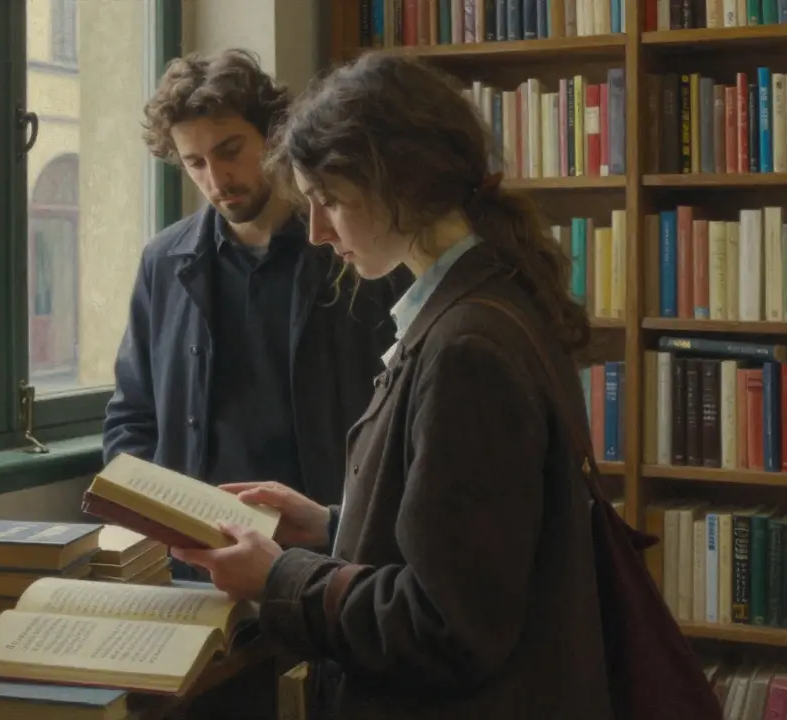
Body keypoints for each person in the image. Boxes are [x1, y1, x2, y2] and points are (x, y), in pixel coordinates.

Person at [171, 53, 616, 718]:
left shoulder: (467, 347)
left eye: (328, 202)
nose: (317, 233)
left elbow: (445, 627)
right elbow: (468, 547)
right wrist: (330, 525)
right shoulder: (478, 306)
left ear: (399, 184)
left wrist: (279, 577)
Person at [103, 49, 408, 579]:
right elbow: (132, 415)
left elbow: (401, 417)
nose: (217, 178)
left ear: (271, 137)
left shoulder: (354, 248)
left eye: (230, 150)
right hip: (197, 561)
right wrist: (149, 511)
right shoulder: (163, 261)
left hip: (327, 553)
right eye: (195, 163)